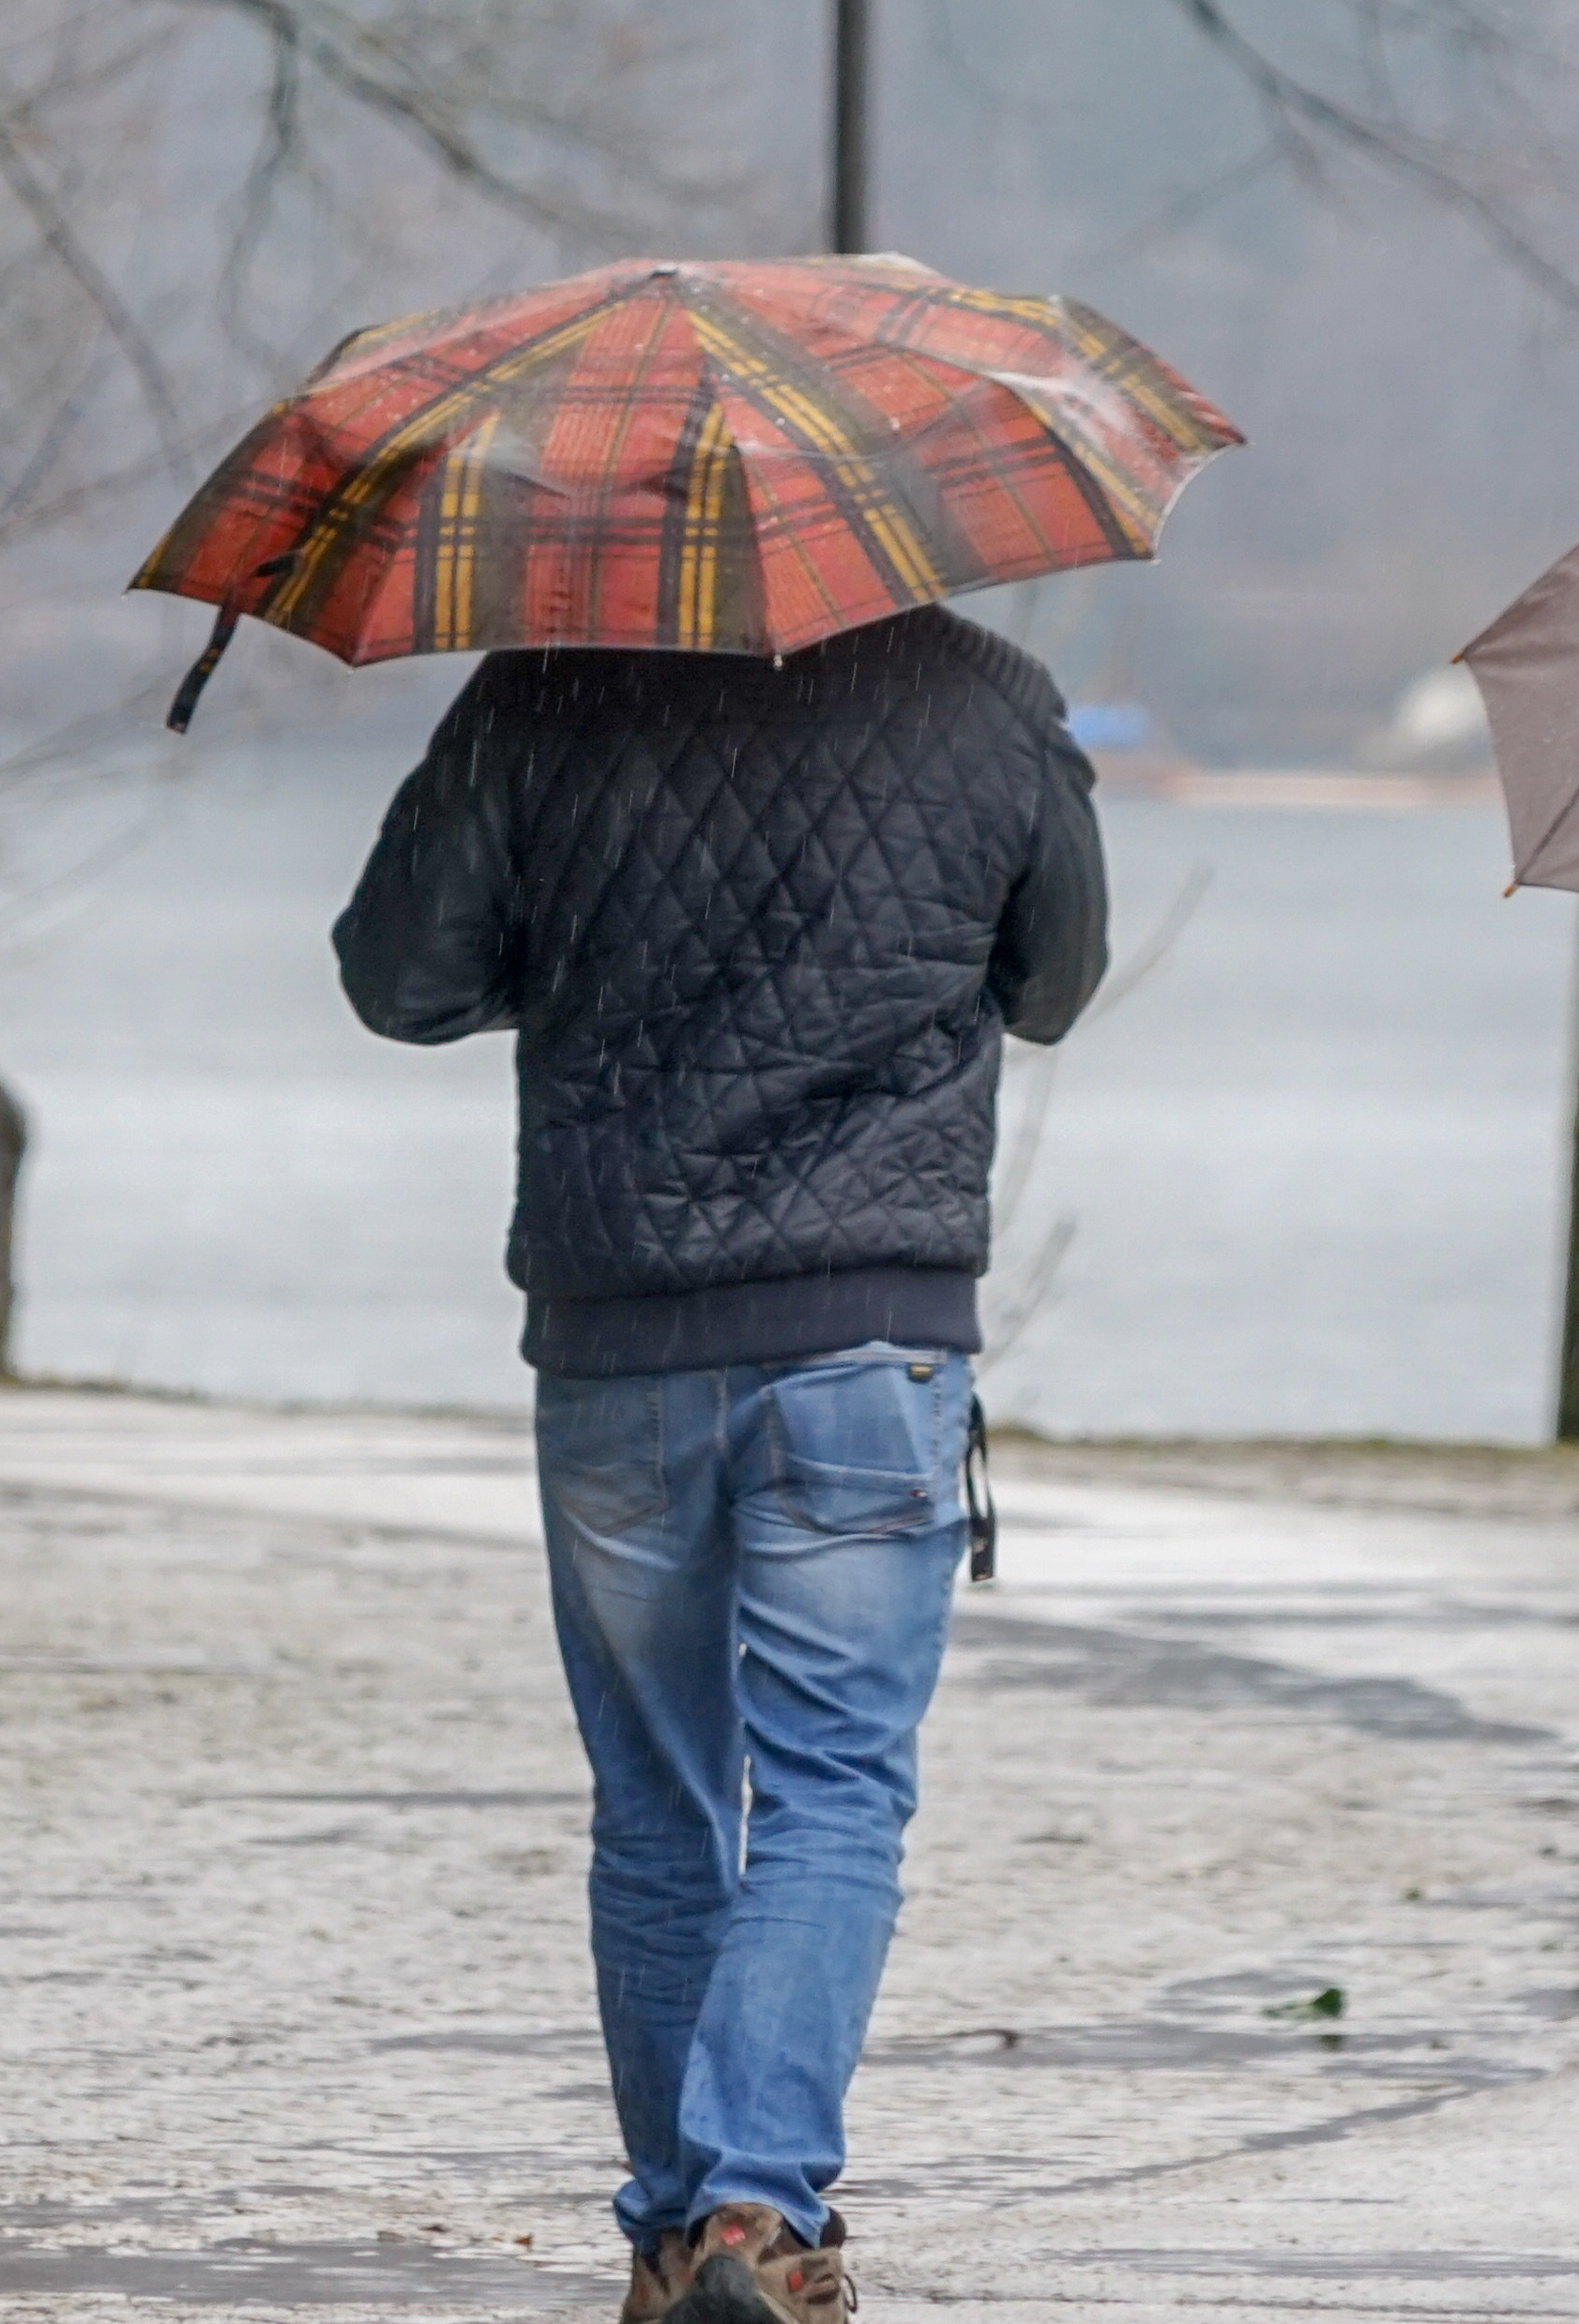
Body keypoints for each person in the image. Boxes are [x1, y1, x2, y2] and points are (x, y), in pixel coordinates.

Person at [335, 604, 1108, 2324]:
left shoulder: (545, 687)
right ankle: (758, 2211)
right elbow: (1053, 985)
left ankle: (678, 2236)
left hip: (621, 1340)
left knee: (660, 1802)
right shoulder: (992, 697)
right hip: (868, 1333)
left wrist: (572, 948)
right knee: (834, 1789)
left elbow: (400, 981)